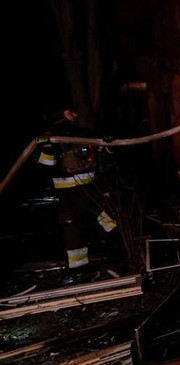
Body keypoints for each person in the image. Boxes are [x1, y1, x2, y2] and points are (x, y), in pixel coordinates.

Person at [36, 109, 117, 269]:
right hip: (68, 195)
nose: (73, 116)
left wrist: (110, 144)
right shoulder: (52, 138)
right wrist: (48, 147)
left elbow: (105, 154)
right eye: (68, 113)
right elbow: (45, 169)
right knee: (74, 233)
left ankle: (116, 253)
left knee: (112, 220)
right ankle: (79, 270)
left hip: (91, 190)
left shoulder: (87, 134)